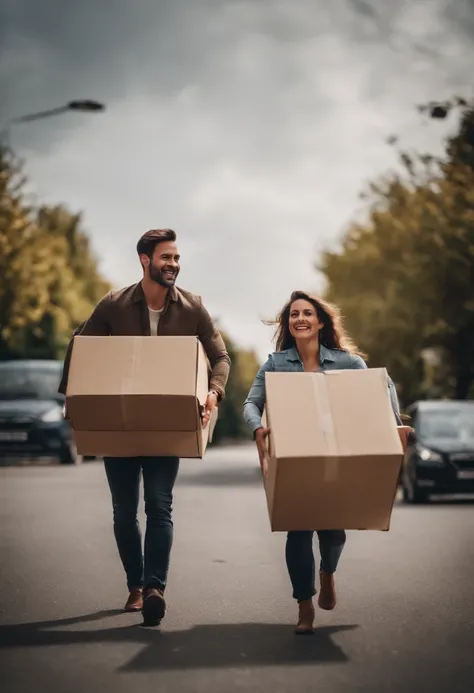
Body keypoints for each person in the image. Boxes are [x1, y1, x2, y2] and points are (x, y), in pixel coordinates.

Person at [58, 229, 231, 626]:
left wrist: (213, 393)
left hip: (166, 424)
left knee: (159, 504)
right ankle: (134, 585)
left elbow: (220, 356)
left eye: (176, 258)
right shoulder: (115, 304)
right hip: (117, 424)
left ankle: (154, 588)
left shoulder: (192, 308)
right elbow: (80, 346)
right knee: (123, 513)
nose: (173, 264)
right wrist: (72, 394)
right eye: (166, 257)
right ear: (144, 259)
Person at [242, 290, 412, 635]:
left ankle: (328, 572)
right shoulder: (275, 364)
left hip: (338, 453)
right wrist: (257, 427)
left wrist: (394, 424)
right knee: (298, 529)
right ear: (288, 324)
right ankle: (304, 606)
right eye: (293, 315)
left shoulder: (347, 362)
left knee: (333, 528)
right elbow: (250, 404)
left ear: (320, 321)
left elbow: (382, 385)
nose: (300, 319)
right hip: (295, 454)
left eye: (307, 313)